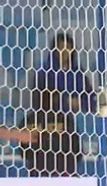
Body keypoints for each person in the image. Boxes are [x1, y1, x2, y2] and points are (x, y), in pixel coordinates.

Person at [0, 33, 91, 176]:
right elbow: (76, 151)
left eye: (68, 48)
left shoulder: (78, 74)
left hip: (53, 167)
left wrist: (79, 103)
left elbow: (90, 101)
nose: (65, 52)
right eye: (61, 48)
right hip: (57, 170)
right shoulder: (44, 72)